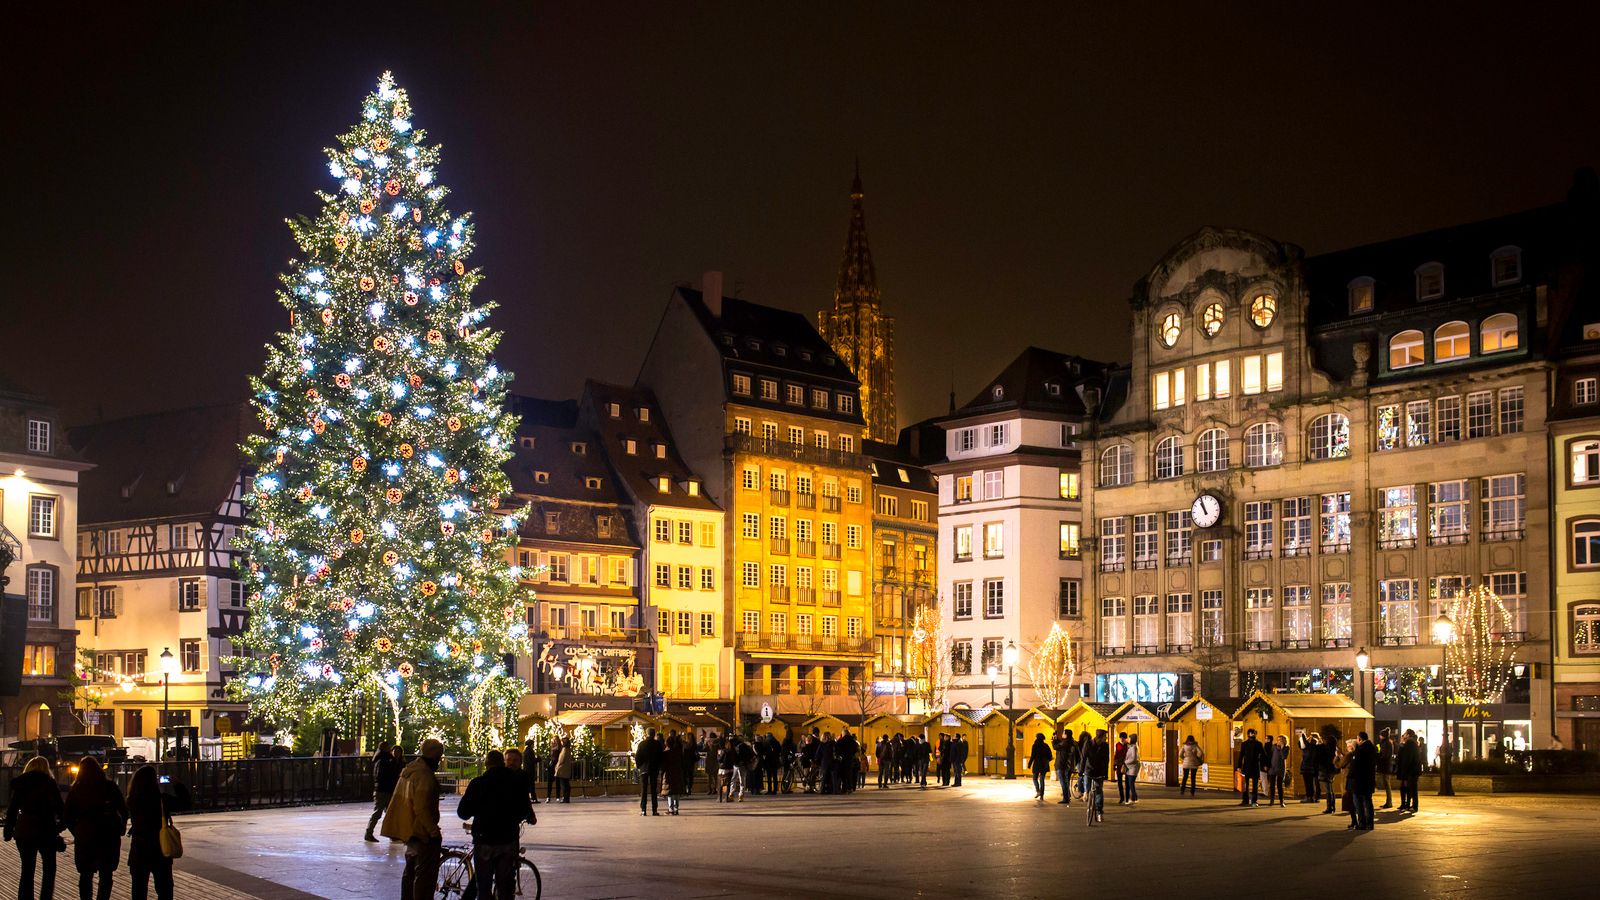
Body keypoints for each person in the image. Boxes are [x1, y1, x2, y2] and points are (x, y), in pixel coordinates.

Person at [458, 749, 536, 900]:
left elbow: (463, 812)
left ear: (486, 764)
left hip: (484, 838)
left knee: (484, 887)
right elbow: (524, 808)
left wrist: (478, 809)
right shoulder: (515, 783)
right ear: (503, 763)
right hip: (508, 838)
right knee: (505, 887)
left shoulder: (478, 783)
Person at [381, 737, 446, 900]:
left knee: (410, 873)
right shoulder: (424, 775)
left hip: (408, 829)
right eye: (439, 756)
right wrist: (433, 831)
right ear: (433, 755)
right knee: (424, 877)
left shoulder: (410, 771)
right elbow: (421, 807)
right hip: (421, 832)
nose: (439, 760)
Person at [64, 756, 127, 900]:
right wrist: (121, 826)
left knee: (85, 874)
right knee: (106, 873)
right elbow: (123, 809)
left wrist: (76, 830)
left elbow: (67, 814)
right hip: (108, 833)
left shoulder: (77, 789)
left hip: (85, 834)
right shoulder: (109, 786)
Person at [5, 755, 64, 900]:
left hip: (25, 830)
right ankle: (46, 897)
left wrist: (8, 831)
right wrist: (58, 828)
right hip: (46, 830)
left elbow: (12, 809)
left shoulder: (21, 785)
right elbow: (61, 810)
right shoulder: (49, 783)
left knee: (27, 870)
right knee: (49, 869)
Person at [126, 765, 179, 900]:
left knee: (138, 889)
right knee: (164, 889)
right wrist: (176, 783)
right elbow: (185, 802)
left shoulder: (132, 799)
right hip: (159, 848)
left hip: (139, 848)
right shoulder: (162, 799)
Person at [366, 741, 402, 842]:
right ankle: (370, 833)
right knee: (381, 812)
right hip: (384, 790)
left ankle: (373, 833)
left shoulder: (381, 759)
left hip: (382, 789)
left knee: (385, 813)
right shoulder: (385, 760)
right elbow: (385, 775)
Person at [1348, 731, 1377, 831]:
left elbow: (1355, 765)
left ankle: (1362, 823)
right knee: (1368, 802)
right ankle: (1370, 824)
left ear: (1359, 739)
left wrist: (1353, 751)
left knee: (1358, 802)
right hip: (1369, 780)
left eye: (1357, 739)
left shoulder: (1360, 750)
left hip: (1359, 781)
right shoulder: (1372, 748)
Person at [634, 727, 662, 816]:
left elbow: (638, 757)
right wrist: (659, 767)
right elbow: (660, 757)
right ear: (654, 734)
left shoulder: (642, 744)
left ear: (646, 734)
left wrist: (640, 766)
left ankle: (643, 810)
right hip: (654, 769)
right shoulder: (657, 744)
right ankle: (654, 810)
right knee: (654, 790)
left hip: (644, 769)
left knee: (644, 789)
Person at [1085, 730, 1110, 826]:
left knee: (1099, 791)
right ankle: (1085, 793)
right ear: (1101, 737)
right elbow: (1084, 757)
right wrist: (1080, 772)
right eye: (1105, 737)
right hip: (1089, 769)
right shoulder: (1089, 744)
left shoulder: (1105, 746)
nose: (1106, 739)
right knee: (1087, 783)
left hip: (1099, 770)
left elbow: (1106, 759)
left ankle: (1099, 812)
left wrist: (1106, 773)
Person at [1316, 725, 1341, 815]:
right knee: (1331, 789)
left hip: (1325, 770)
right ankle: (1332, 806)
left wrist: (1319, 744)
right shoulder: (1335, 749)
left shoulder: (1323, 748)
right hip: (1332, 770)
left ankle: (1329, 807)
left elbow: (1318, 755)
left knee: (1328, 790)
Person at [1396, 728, 1422, 813]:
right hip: (1411, 769)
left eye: (1405, 733)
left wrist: (1405, 770)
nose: (1404, 735)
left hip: (1411, 770)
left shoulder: (1410, 743)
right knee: (1409, 788)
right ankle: (1409, 805)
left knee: (1412, 788)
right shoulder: (1411, 743)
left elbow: (1407, 758)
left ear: (1408, 735)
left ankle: (1414, 806)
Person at [1237, 729, 1264, 807]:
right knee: (1245, 785)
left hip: (1255, 766)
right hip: (1246, 766)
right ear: (1248, 734)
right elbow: (1241, 755)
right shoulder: (1244, 744)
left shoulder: (1259, 744)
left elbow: (1263, 754)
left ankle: (1254, 801)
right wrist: (1239, 766)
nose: (1251, 734)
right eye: (1250, 733)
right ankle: (1245, 800)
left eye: (1253, 733)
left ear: (1255, 734)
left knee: (1255, 785)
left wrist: (1264, 765)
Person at [1052, 728, 1075, 805]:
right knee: (1065, 782)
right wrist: (1056, 739)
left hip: (1062, 765)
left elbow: (1056, 747)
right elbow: (1060, 744)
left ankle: (1066, 798)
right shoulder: (1070, 742)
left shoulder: (1066, 743)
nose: (1062, 735)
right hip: (1066, 765)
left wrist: (1054, 741)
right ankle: (1067, 796)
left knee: (1063, 782)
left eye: (1063, 733)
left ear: (1066, 735)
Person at [1027, 733, 1052, 799]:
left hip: (1037, 764)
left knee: (1035, 778)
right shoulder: (1046, 745)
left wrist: (1029, 764)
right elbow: (1050, 756)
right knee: (1042, 779)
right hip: (1044, 764)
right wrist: (1046, 760)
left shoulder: (1035, 745)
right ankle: (1042, 795)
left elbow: (1033, 756)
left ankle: (1038, 791)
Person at [1375, 728, 1395, 809]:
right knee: (1386, 784)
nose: (1379, 736)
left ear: (1383, 736)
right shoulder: (1387, 742)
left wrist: (1378, 756)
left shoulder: (1386, 743)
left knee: (1387, 784)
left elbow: (1385, 755)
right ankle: (1388, 802)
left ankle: (1389, 802)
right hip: (1386, 766)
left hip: (1386, 766)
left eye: (1380, 735)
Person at [1266, 735, 1287, 807]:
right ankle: (1271, 801)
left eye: (1280, 740)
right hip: (1273, 767)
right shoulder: (1274, 746)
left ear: (1284, 741)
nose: (1279, 741)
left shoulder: (1286, 747)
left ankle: (1282, 801)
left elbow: (1284, 756)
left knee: (1279, 786)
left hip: (1280, 768)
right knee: (1272, 785)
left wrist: (1281, 748)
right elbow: (1270, 755)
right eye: (1278, 740)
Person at [554, 735, 575, 803]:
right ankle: (566, 797)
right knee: (566, 784)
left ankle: (565, 798)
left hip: (562, 769)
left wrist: (557, 766)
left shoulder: (564, 750)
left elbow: (561, 760)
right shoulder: (569, 749)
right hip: (566, 769)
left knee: (563, 784)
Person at [1122, 734, 1141, 805]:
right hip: (1130, 768)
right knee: (1130, 783)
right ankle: (1135, 798)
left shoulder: (1134, 748)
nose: (1128, 739)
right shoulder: (1131, 747)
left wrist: (1125, 762)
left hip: (1132, 768)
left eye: (1129, 738)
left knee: (1131, 783)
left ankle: (1133, 798)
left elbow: (1133, 758)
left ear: (1132, 739)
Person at [521, 738, 541, 803]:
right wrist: (538, 759)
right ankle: (533, 798)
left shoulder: (526, 750)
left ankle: (532, 798)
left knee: (529, 785)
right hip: (530, 770)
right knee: (531, 785)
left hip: (527, 770)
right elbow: (531, 761)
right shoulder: (530, 751)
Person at [1112, 732, 1128, 804]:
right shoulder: (1117, 744)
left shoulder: (1128, 745)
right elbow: (1116, 754)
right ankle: (1122, 797)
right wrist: (1114, 764)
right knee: (1119, 782)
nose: (1122, 739)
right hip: (1119, 764)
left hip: (1126, 764)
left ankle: (1127, 798)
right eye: (1121, 737)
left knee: (1127, 782)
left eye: (1123, 738)